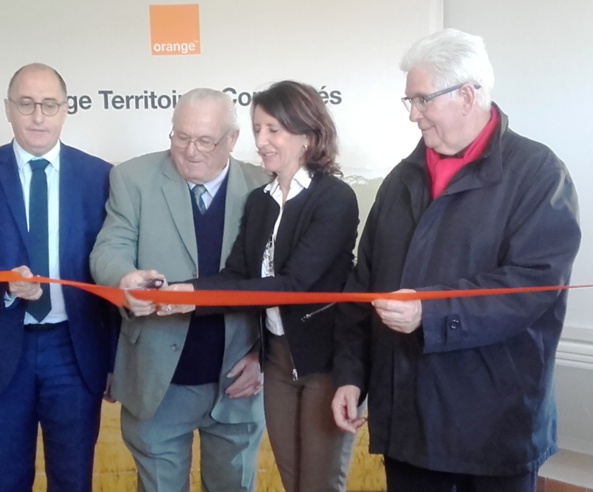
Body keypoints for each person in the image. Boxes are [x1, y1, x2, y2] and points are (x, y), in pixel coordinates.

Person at [331, 28, 580, 492]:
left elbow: (532, 286)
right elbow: (364, 284)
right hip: (408, 427)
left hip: (494, 431)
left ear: (466, 95)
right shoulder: (400, 179)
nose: (413, 114)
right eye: (409, 101)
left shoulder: (539, 173)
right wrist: (351, 376)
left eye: (422, 100)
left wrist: (430, 312)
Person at [160, 80, 360, 492]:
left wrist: (194, 297)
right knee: (292, 480)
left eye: (274, 130)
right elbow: (236, 274)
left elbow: (294, 285)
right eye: (257, 129)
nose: (261, 141)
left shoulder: (335, 198)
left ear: (307, 135)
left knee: (318, 485)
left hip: (325, 362)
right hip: (278, 359)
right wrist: (178, 293)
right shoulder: (259, 201)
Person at [0, 63, 118, 491]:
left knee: (73, 480)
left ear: (65, 109)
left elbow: (112, 264)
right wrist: (4, 282)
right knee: (5, 481)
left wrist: (116, 359)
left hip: (74, 352)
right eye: (26, 104)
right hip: (1, 351)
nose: (38, 116)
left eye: (49, 104)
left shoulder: (99, 176)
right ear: (8, 109)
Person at [89, 88, 269, 491]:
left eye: (205, 140)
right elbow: (110, 248)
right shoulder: (132, 178)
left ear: (232, 140)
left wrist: (263, 355)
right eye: (181, 136)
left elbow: (279, 281)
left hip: (238, 382)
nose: (190, 151)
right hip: (158, 383)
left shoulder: (265, 185)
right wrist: (124, 279)